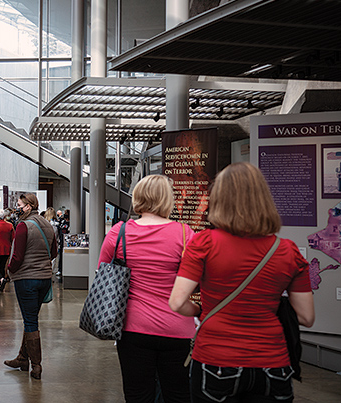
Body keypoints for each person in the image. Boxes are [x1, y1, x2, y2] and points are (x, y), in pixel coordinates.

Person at [169, 162, 315, 403]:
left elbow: (177, 302)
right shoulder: (287, 251)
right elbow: (307, 318)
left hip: (215, 359)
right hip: (272, 363)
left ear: (219, 199)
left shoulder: (204, 243)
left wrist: (200, 310)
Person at [98, 175, 195, 403]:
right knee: (178, 394)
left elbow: (103, 273)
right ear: (167, 199)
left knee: (137, 395)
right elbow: (197, 279)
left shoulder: (118, 233)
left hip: (133, 328)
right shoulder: (185, 234)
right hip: (177, 328)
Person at [4, 193, 57, 379]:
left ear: (27, 206)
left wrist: (9, 270)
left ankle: (36, 366)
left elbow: (17, 257)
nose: (16, 207)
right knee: (31, 317)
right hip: (44, 279)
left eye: (18, 204)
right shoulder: (48, 225)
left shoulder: (23, 226)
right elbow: (53, 252)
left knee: (30, 321)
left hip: (26, 279)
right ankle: (22, 358)